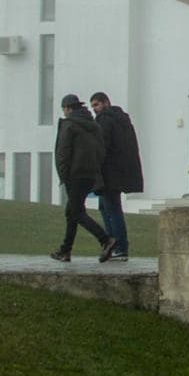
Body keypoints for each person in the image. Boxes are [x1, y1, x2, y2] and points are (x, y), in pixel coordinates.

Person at [50, 93, 110, 262]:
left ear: (69, 108)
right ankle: (65, 250)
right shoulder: (93, 125)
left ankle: (105, 240)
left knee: (75, 212)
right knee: (72, 212)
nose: (64, 112)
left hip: (74, 176)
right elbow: (101, 151)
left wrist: (63, 176)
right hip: (90, 175)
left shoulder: (69, 125)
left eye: (64, 109)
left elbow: (63, 153)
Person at [90, 91, 145, 263]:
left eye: (96, 105)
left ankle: (118, 246)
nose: (94, 109)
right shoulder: (122, 119)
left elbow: (102, 145)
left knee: (112, 209)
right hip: (120, 172)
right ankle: (114, 245)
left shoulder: (105, 120)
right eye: (92, 106)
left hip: (109, 174)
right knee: (106, 207)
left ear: (106, 103)